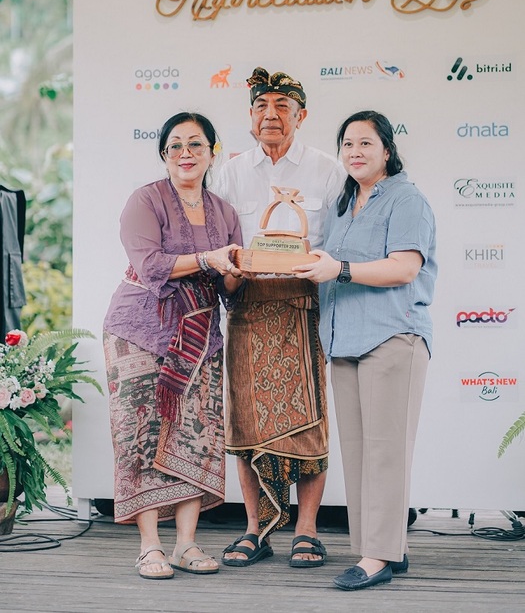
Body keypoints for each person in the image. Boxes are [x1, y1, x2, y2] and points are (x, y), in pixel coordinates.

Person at [294, 110, 437, 591]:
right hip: (344, 341)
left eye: (365, 143)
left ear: (387, 150)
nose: (354, 152)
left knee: (385, 453)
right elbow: (327, 260)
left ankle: (377, 558)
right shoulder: (344, 201)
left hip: (392, 337)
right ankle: (386, 546)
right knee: (359, 453)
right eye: (347, 144)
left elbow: (404, 268)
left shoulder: (406, 199)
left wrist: (340, 269)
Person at [103, 111, 243, 580]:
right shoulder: (145, 200)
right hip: (139, 331)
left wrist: (237, 271)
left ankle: (186, 544)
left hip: (201, 336)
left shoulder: (225, 212)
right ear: (164, 154)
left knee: (195, 437)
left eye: (196, 144)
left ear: (212, 152)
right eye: (176, 145)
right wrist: (208, 259)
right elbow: (150, 265)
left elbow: (230, 287)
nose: (186, 153)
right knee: (140, 435)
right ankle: (150, 547)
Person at [215, 67, 346, 568]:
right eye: (261, 106)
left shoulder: (327, 170)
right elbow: (220, 245)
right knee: (246, 423)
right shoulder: (229, 173)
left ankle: (306, 530)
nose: (271, 115)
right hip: (247, 308)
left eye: (282, 107)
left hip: (303, 307)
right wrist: (232, 267)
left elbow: (343, 240)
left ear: (301, 115)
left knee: (309, 422)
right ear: (250, 116)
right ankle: (256, 529)